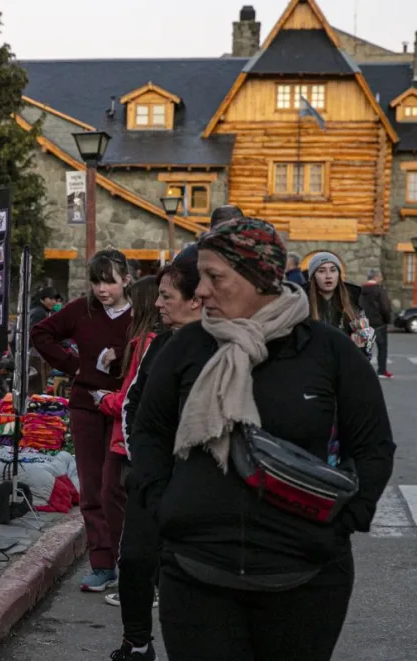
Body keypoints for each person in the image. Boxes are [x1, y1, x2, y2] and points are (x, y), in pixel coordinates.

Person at [130, 218, 394, 661]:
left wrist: (340, 522)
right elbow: (150, 432)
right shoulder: (187, 347)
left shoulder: (327, 351)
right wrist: (164, 507)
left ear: (259, 277)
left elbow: (372, 447)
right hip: (196, 573)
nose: (201, 292)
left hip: (304, 577)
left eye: (215, 277)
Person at [107, 248, 204, 661]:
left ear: (195, 299)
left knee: (186, 574)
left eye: (166, 296)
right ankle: (136, 643)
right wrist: (142, 465)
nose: (157, 303)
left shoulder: (223, 347)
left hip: (200, 483)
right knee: (134, 561)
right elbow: (134, 405)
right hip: (151, 476)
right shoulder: (160, 344)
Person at [32, 249, 132, 592]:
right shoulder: (82, 309)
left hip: (124, 407)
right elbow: (41, 333)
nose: (102, 289)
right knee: (91, 486)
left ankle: (128, 560)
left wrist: (123, 356)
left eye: (109, 281)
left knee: (115, 486)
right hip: (87, 405)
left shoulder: (140, 313)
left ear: (126, 281)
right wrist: (75, 366)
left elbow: (155, 345)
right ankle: (102, 564)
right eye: (96, 281)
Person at [99, 276, 160, 457]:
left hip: (131, 439)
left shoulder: (147, 344)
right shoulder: (143, 343)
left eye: (134, 307)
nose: (131, 314)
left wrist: (106, 400)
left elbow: (135, 399)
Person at [306, 252, 372, 356]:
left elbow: (366, 345)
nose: (328, 276)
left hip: (345, 366)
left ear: (339, 274)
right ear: (313, 276)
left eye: (333, 270)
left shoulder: (354, 303)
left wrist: (360, 350)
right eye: (321, 271)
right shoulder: (302, 305)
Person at [360, 269, 393, 379]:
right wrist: (387, 320)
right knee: (382, 348)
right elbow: (385, 307)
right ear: (376, 277)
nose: (381, 279)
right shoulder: (380, 290)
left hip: (363, 323)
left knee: (364, 348)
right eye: (380, 277)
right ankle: (382, 371)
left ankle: (362, 371)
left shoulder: (360, 290)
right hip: (379, 324)